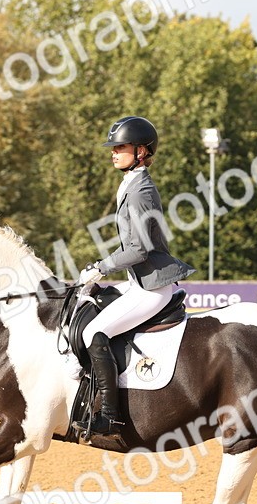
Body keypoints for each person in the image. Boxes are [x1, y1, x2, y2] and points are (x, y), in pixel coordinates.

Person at [73, 116, 195, 436]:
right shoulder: (130, 183)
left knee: (95, 333)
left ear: (141, 151)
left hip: (152, 287)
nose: (114, 153)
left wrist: (101, 266)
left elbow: (140, 249)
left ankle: (109, 415)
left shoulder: (140, 190)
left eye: (121, 147)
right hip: (139, 280)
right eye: (113, 148)